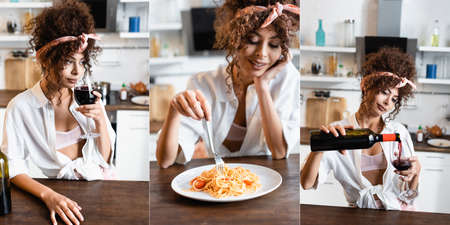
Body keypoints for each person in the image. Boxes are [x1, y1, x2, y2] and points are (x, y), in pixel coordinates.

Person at [1, 1, 116, 224]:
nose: (77, 72)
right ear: (46, 58)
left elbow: (105, 159)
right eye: (67, 61)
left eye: (82, 62)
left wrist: (101, 120)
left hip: (104, 189)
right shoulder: (21, 108)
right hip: (55, 196)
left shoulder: (88, 96)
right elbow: (13, 167)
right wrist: (48, 195)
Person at [156, 0, 300, 168]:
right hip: (220, 184)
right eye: (253, 41)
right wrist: (174, 111)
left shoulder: (288, 79)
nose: (262, 53)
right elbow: (165, 161)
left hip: (266, 182)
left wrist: (262, 85)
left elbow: (279, 152)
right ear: (235, 38)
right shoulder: (204, 84)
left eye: (274, 45)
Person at [301, 48, 421, 210]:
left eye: (394, 99)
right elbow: (306, 183)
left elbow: (410, 195)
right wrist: (319, 149)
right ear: (366, 86)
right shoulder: (339, 132)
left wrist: (416, 173)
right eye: (384, 92)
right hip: (358, 216)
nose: (387, 103)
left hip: (397, 214)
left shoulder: (398, 133)